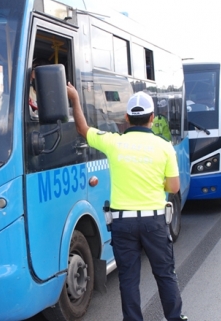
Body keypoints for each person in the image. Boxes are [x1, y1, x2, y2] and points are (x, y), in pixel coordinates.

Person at [66, 83, 187, 321]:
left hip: (123, 224)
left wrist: (75, 99)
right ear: (152, 118)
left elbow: (82, 128)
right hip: (154, 221)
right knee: (165, 274)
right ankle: (175, 318)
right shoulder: (164, 148)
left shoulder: (113, 142)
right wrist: (154, 183)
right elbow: (173, 187)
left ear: (127, 117)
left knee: (129, 279)